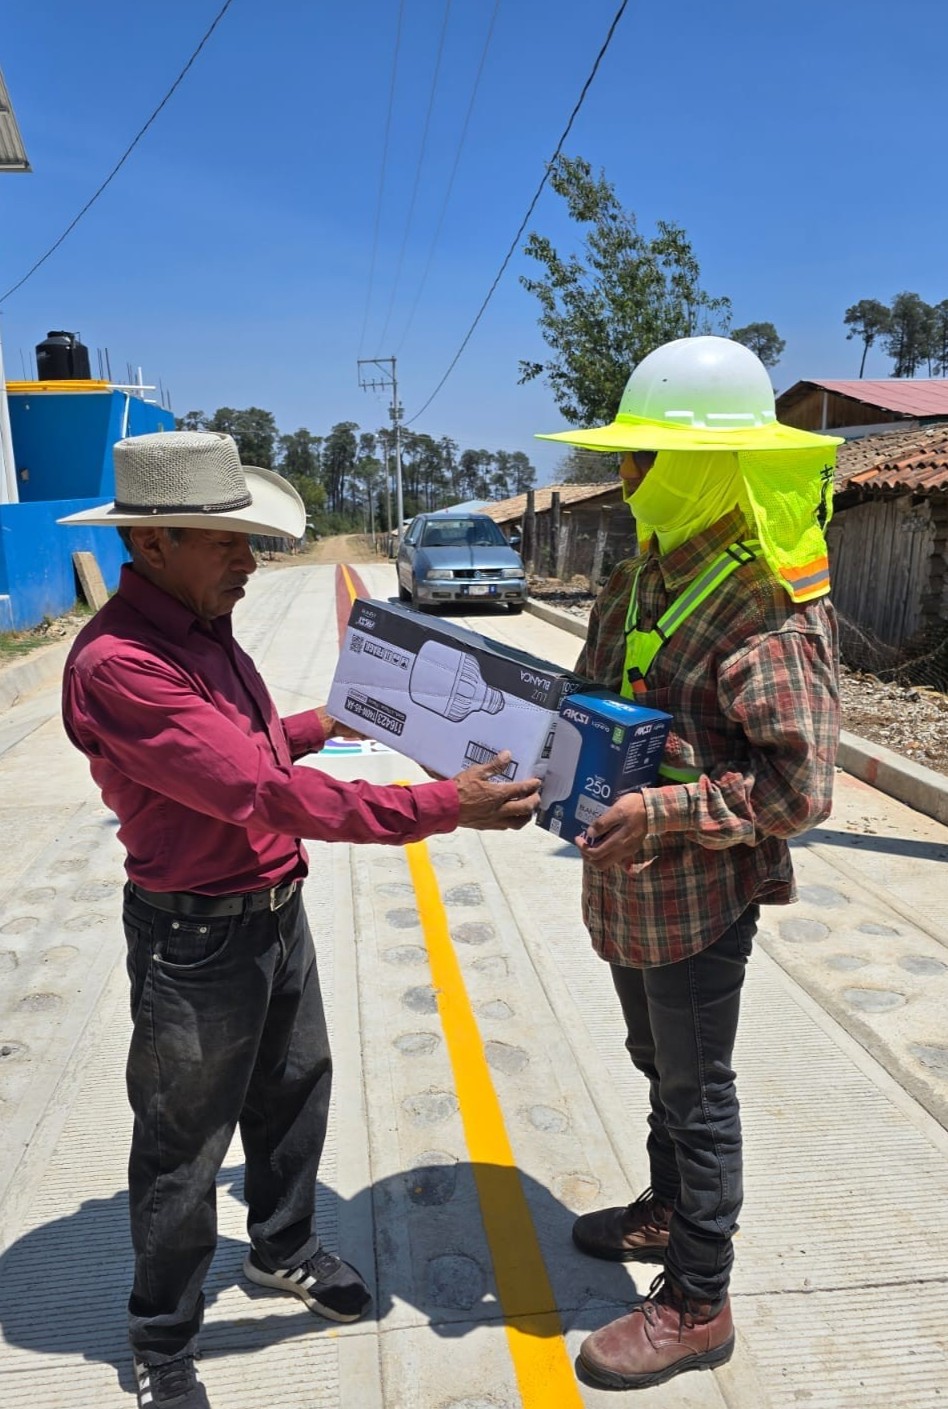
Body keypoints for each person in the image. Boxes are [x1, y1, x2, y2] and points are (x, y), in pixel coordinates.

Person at [59, 431, 541, 1409]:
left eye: (250, 538)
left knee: (292, 1093)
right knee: (184, 1145)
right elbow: (262, 793)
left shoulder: (200, 627)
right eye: (226, 539)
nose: (250, 558)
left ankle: (279, 1247)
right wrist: (446, 804)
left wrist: (329, 721)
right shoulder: (119, 664)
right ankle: (162, 1333)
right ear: (152, 542)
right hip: (196, 940)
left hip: (274, 913)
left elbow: (249, 749)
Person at [537, 336, 841, 1391]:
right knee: (656, 1063)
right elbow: (587, 693)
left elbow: (800, 791)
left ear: (705, 464)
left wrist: (663, 808)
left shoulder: (766, 605)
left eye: (645, 458)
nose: (626, 478)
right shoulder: (638, 578)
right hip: (625, 889)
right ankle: (666, 1208)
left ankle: (698, 1297)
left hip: (699, 899)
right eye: (626, 458)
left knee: (699, 1087)